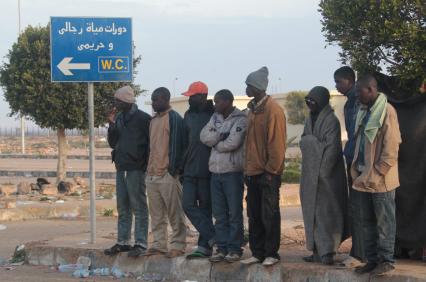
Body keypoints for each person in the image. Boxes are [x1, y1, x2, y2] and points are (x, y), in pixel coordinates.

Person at [351, 75, 401, 276]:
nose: (356, 95)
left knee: (384, 222)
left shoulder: (387, 111)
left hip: (381, 180)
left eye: (359, 91)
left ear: (371, 89)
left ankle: (386, 260)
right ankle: (372, 260)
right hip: (364, 176)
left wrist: (378, 172)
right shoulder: (364, 111)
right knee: (367, 222)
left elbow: (391, 148)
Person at [240, 67, 286, 267]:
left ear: (258, 87)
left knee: (270, 214)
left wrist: (271, 171)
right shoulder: (252, 109)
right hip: (252, 172)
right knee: (254, 215)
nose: (246, 88)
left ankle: (271, 253)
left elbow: (276, 144)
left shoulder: (273, 109)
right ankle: (257, 252)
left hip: (267, 173)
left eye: (249, 85)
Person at [300, 86, 349, 265]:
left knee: (327, 214)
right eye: (308, 100)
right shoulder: (308, 119)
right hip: (310, 176)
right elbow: (303, 141)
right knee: (311, 214)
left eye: (312, 100)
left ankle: (327, 251)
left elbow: (332, 150)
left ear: (321, 100)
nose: (309, 104)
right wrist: (312, 142)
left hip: (326, 178)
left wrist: (322, 173)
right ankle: (315, 251)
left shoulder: (331, 121)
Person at [200, 89, 247, 263]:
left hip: (232, 173)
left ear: (227, 101)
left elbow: (233, 142)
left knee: (234, 212)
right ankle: (222, 247)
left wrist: (216, 145)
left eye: (218, 101)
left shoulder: (240, 119)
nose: (215, 105)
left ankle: (235, 249)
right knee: (219, 214)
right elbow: (204, 136)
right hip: (215, 172)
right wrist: (220, 136)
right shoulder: (214, 118)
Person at [105, 86, 151, 257]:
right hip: (121, 167)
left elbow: (150, 144)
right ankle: (123, 242)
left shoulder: (143, 119)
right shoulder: (119, 118)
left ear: (126, 101)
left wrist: (144, 164)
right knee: (123, 207)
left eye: (117, 100)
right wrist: (111, 124)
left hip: (136, 169)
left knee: (138, 206)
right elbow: (112, 142)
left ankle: (140, 243)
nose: (115, 103)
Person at [144, 87, 187, 258]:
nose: (154, 103)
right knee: (156, 215)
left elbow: (179, 146)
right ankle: (159, 244)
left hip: (167, 175)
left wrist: (173, 172)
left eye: (157, 100)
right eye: (153, 100)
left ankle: (178, 245)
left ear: (166, 99)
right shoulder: (153, 120)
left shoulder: (174, 118)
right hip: (152, 174)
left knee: (175, 214)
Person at [181, 81, 216, 259]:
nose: (189, 100)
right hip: (188, 169)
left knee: (205, 209)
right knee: (187, 204)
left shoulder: (214, 114)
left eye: (192, 96)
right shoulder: (188, 115)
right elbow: (185, 143)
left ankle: (204, 247)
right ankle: (213, 236)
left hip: (207, 170)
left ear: (202, 96)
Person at [334, 66, 365, 264]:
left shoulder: (357, 101)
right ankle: (358, 250)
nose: (336, 86)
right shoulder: (350, 101)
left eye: (339, 82)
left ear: (349, 81)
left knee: (359, 208)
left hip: (357, 161)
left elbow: (357, 133)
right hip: (353, 158)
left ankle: (360, 252)